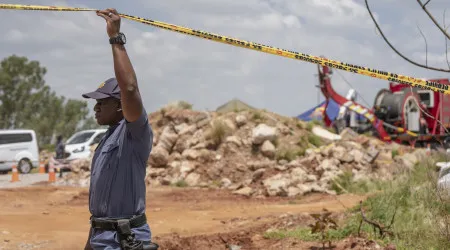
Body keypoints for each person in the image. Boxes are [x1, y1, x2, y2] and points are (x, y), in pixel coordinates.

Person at [82, 8, 158, 250]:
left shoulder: (134, 133)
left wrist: (115, 39)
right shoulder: (107, 138)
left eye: (102, 102)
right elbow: (101, 214)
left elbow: (131, 89)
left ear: (119, 106)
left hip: (124, 241)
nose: (96, 108)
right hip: (100, 237)